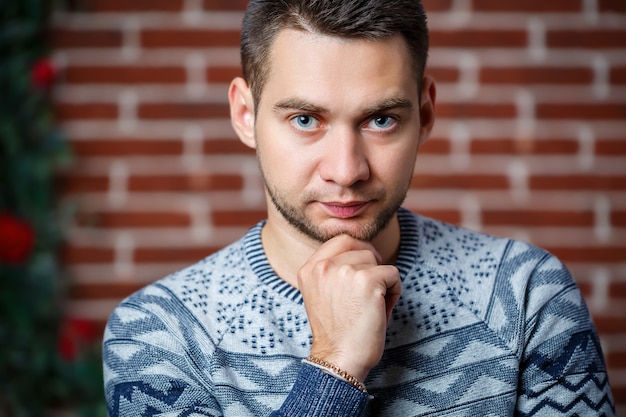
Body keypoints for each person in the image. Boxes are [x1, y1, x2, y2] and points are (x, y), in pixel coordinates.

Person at [102, 0, 615, 415]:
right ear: (245, 114)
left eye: (381, 120)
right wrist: (334, 369)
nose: (347, 171)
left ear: (426, 113)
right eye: (305, 119)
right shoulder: (159, 332)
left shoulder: (528, 294)